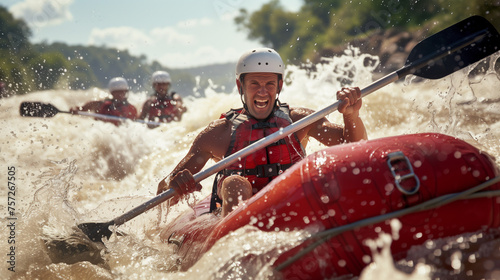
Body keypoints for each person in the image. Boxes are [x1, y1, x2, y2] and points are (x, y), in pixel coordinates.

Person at [157, 48, 368, 217]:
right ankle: (233, 244)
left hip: (292, 200)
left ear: (279, 86)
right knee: (234, 183)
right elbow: (163, 190)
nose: (262, 91)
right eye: (254, 83)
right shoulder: (219, 133)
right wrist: (175, 182)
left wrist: (351, 116)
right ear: (240, 86)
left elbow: (355, 148)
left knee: (318, 171)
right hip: (235, 207)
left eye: (269, 84)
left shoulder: (298, 120)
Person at [71, 77, 137, 126]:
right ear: (112, 93)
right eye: (117, 92)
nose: (120, 94)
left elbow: (136, 123)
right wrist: (75, 109)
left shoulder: (132, 108)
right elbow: (81, 109)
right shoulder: (100, 104)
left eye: (122, 92)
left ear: (125, 92)